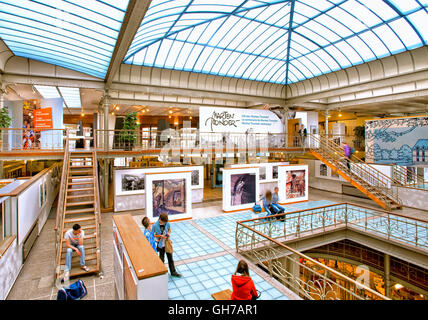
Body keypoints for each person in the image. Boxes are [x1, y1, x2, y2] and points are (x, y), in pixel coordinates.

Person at [152, 212, 182, 277]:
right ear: (160, 219)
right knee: (161, 259)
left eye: (165, 222)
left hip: (167, 243)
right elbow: (152, 234)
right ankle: (161, 273)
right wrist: (160, 236)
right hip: (160, 245)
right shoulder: (154, 225)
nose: (165, 223)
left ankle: (173, 272)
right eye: (163, 222)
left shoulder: (167, 223)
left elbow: (169, 228)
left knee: (170, 258)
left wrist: (168, 233)